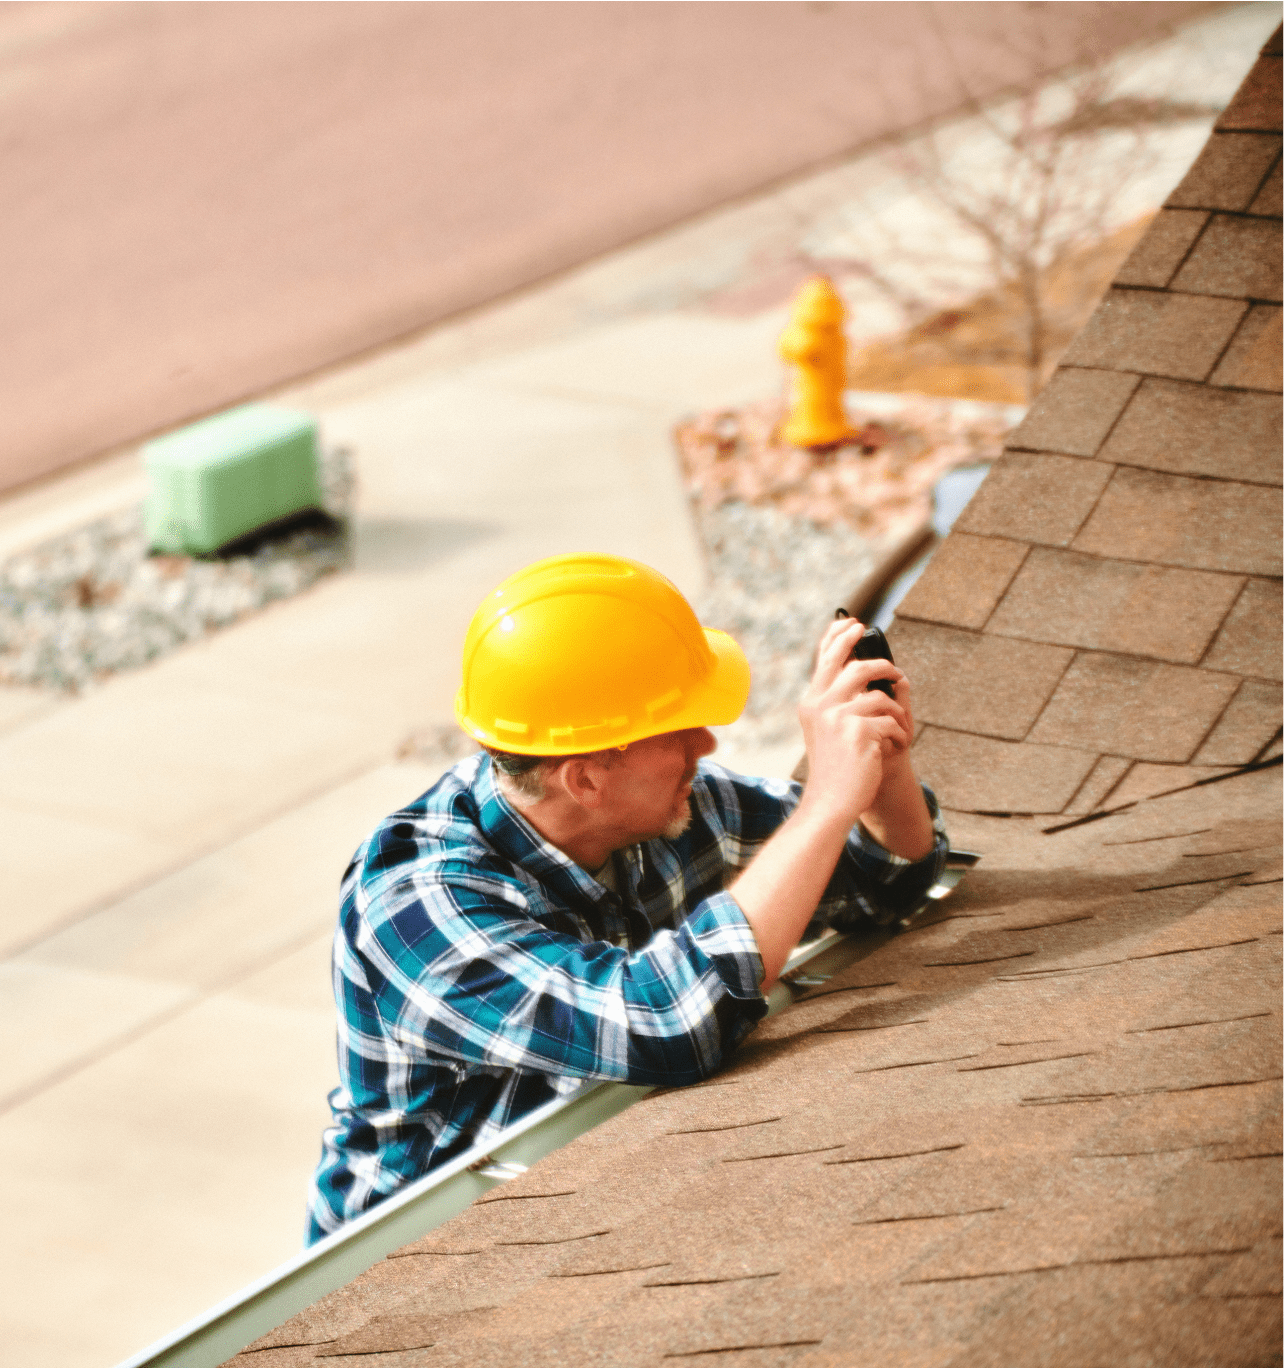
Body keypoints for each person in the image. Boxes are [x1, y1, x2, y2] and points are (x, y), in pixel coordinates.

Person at [306, 553, 946, 1242]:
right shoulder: (414, 907)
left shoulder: (664, 806)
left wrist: (881, 761)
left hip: (575, 1190)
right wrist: (825, 803)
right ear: (585, 779)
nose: (708, 742)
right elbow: (663, 1023)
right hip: (412, 1265)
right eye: (678, 730)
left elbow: (885, 877)